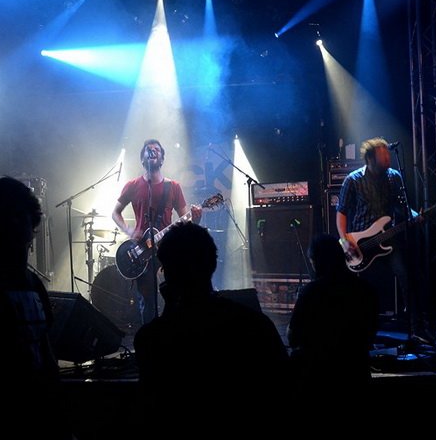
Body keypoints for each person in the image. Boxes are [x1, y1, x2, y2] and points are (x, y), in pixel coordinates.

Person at [133, 222, 289, 438]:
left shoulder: (150, 339)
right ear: (213, 264)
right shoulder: (254, 325)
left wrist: (170, 307)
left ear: (166, 274)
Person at [0, 176, 69, 437]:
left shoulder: (33, 283)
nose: (18, 225)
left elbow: (46, 354)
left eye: (22, 217)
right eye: (10, 217)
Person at [336, 137, 429, 343]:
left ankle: (417, 328)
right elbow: (341, 212)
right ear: (370, 158)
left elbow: (403, 208)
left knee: (407, 276)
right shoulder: (353, 180)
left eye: (388, 153)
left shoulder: (394, 177)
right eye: (383, 154)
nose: (388, 157)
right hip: (361, 245)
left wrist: (416, 216)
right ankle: (361, 330)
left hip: (389, 240)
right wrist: (344, 241)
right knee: (363, 289)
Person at [286, 233, 379, 430]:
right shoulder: (365, 289)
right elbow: (371, 333)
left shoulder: (311, 292)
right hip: (356, 377)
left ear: (317, 262)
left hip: (317, 382)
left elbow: (293, 338)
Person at [112, 138, 201, 325]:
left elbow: (185, 219)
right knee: (147, 303)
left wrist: (196, 219)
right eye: (148, 150)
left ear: (162, 159)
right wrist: (130, 231)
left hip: (168, 249)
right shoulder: (132, 185)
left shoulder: (173, 187)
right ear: (142, 158)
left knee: (175, 296)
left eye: (156, 150)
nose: (152, 151)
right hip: (142, 252)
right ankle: (151, 338)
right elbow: (115, 213)